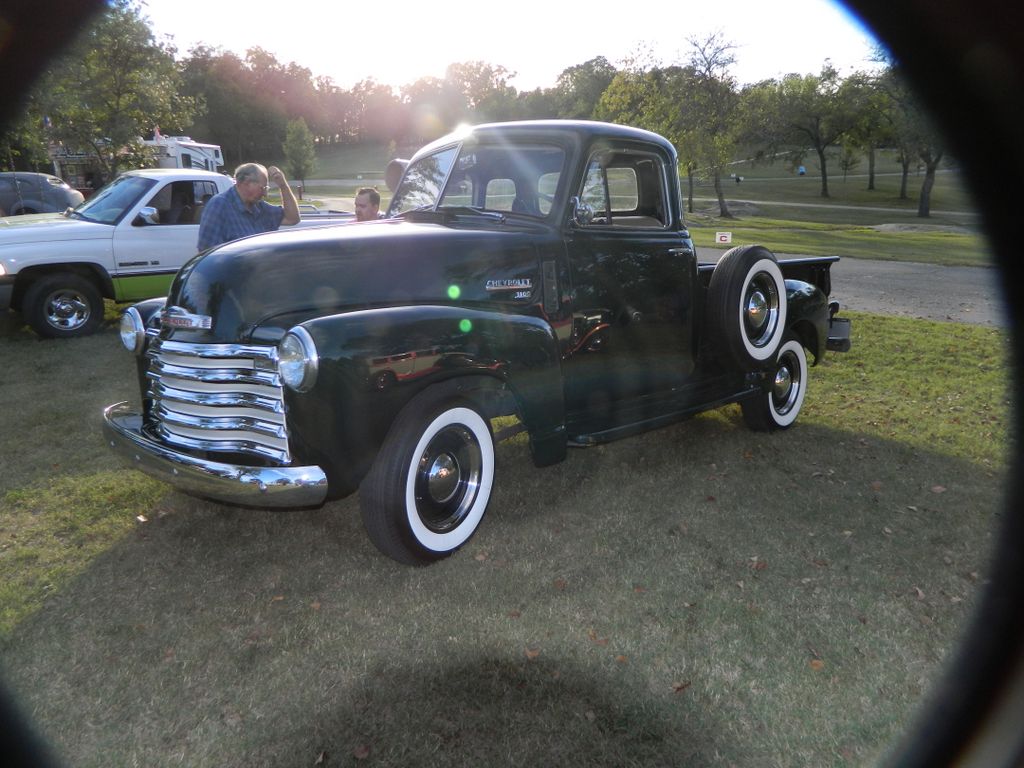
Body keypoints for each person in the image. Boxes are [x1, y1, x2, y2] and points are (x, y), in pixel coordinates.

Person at [196, 162, 299, 251]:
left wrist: (283, 185)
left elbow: (292, 218)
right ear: (246, 183)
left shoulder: (259, 207)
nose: (265, 194)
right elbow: (207, 252)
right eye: (263, 188)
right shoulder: (219, 206)